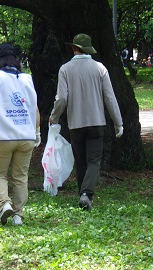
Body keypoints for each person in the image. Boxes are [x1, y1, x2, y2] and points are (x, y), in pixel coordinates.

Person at [49, 33, 123, 211]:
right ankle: (86, 194)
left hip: (76, 123)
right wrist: (118, 122)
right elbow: (110, 98)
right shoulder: (100, 68)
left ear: (74, 48)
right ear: (88, 49)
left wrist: (54, 117)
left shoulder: (65, 69)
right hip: (97, 122)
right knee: (94, 160)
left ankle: (83, 195)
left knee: (80, 160)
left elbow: (62, 99)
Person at [0, 44, 41, 226]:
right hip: (26, 135)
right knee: (20, 176)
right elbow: (35, 109)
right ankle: (18, 216)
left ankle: (4, 204)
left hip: (1, 135)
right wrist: (37, 131)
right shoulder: (27, 78)